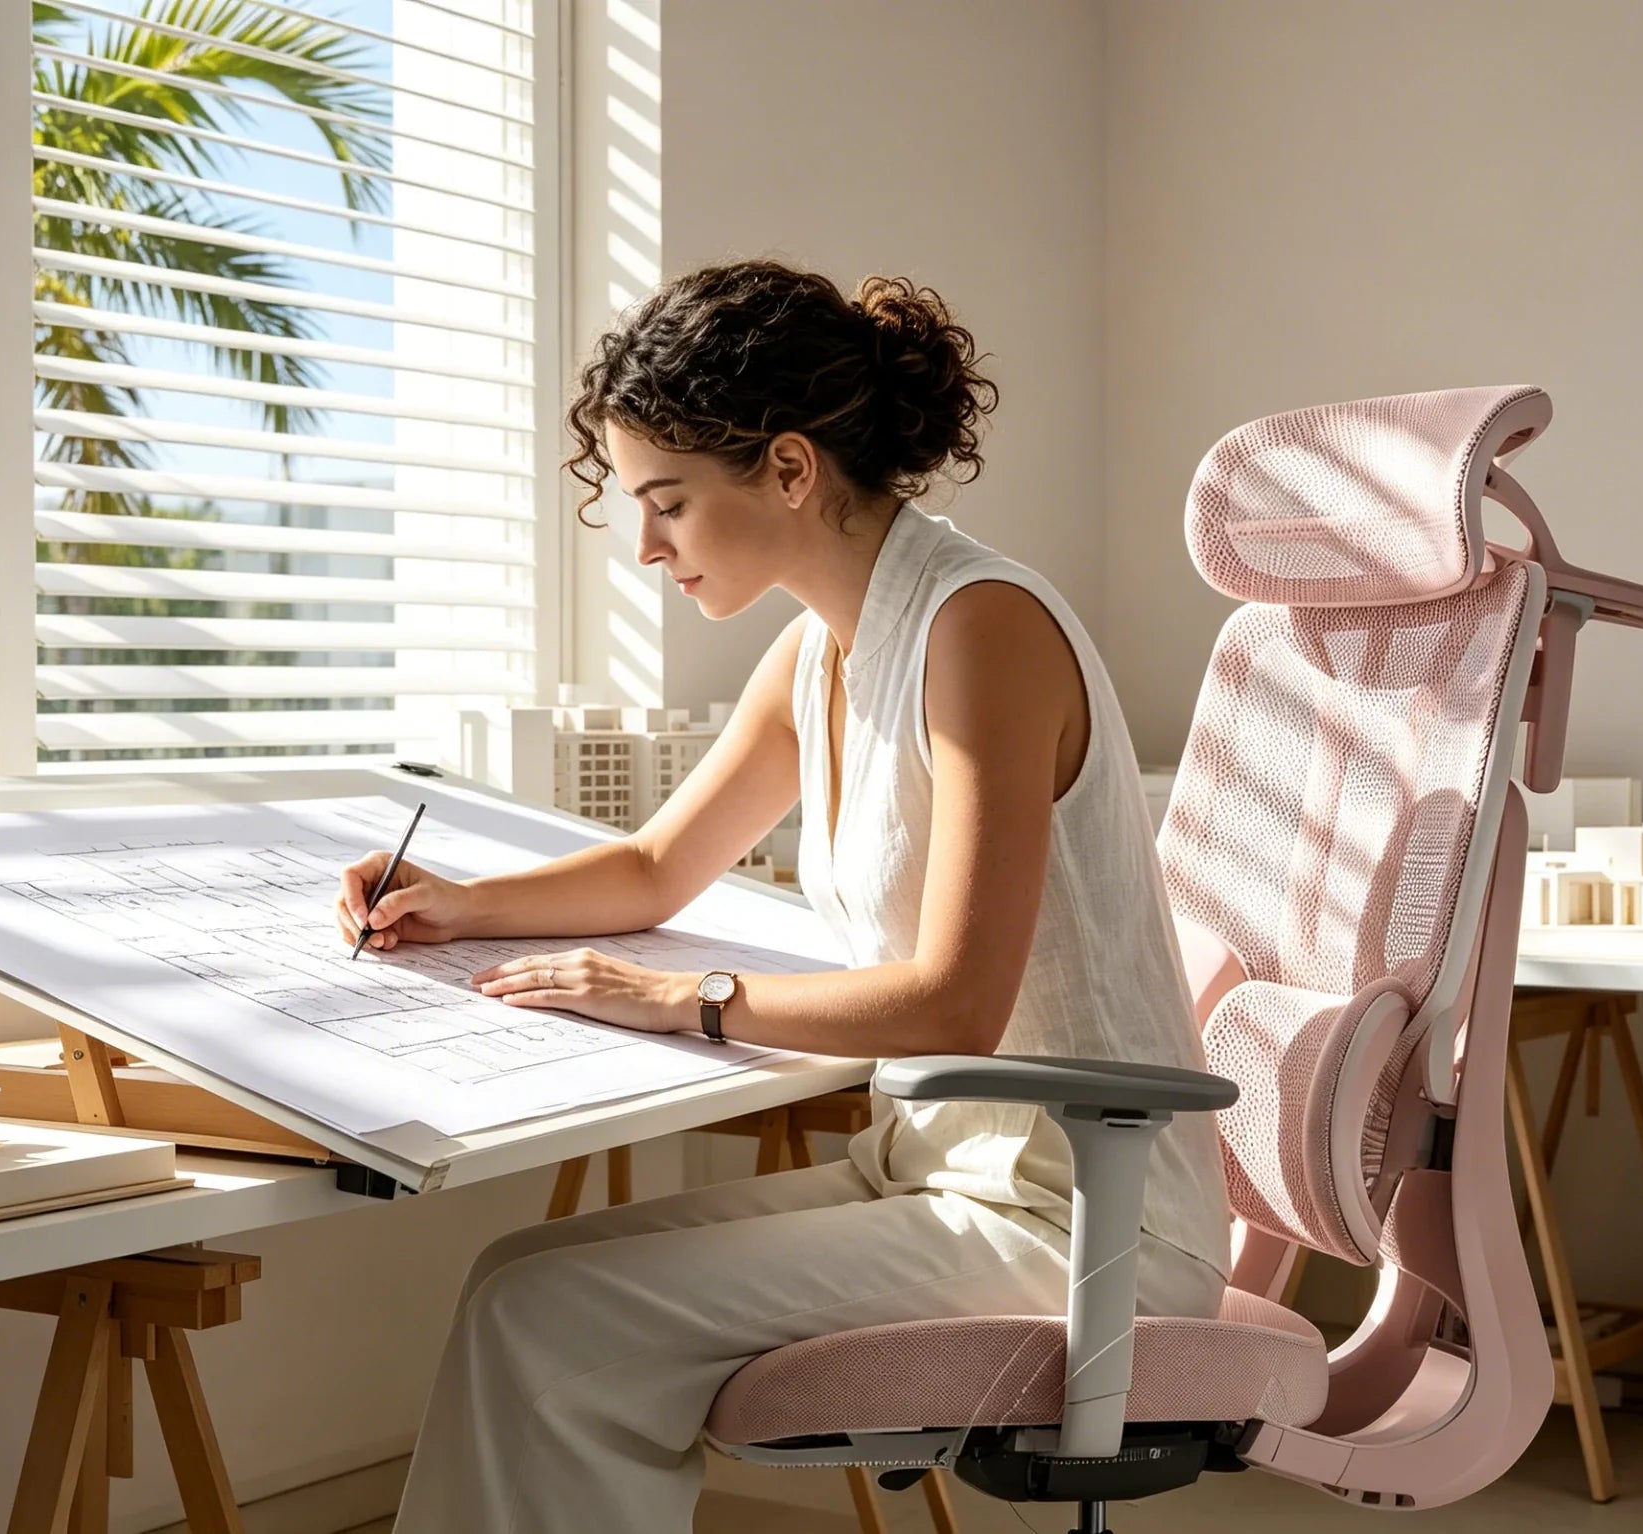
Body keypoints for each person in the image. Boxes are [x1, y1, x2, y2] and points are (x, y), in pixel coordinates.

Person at [334, 259, 1230, 1534]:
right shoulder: (822, 641)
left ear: (790, 468)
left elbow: (957, 1003)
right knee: (517, 1276)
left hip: (1086, 1222)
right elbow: (656, 865)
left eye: (669, 503)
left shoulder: (979, 628)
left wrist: (678, 1000)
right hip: (936, 1180)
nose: (643, 547)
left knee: (552, 1323)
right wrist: (456, 902)